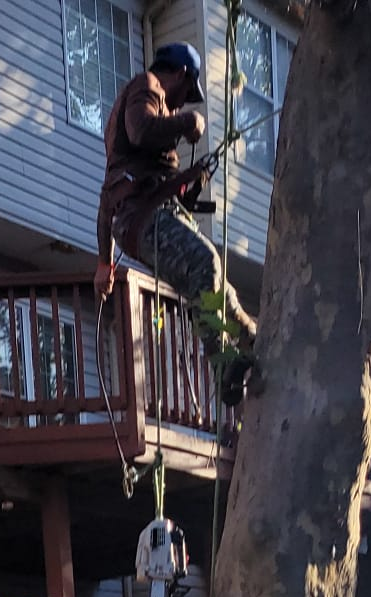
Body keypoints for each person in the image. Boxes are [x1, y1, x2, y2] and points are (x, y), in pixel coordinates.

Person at [95, 41, 257, 404]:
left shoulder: (143, 142)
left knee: (220, 290)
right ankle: (222, 364)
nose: (183, 102)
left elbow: (107, 201)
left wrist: (104, 263)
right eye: (186, 94)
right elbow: (139, 131)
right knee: (205, 262)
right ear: (182, 74)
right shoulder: (147, 86)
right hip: (143, 218)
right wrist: (187, 122)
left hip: (145, 215)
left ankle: (252, 340)